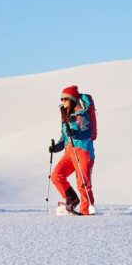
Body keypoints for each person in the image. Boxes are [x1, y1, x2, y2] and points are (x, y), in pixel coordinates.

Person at [48, 85, 95, 215]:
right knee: (56, 175)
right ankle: (72, 199)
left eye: (65, 99)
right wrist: (55, 148)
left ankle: (86, 211)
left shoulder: (81, 114)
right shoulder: (65, 115)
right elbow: (64, 137)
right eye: (62, 99)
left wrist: (75, 133)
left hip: (84, 151)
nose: (63, 102)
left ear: (72, 100)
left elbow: (87, 133)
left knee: (83, 183)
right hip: (70, 152)